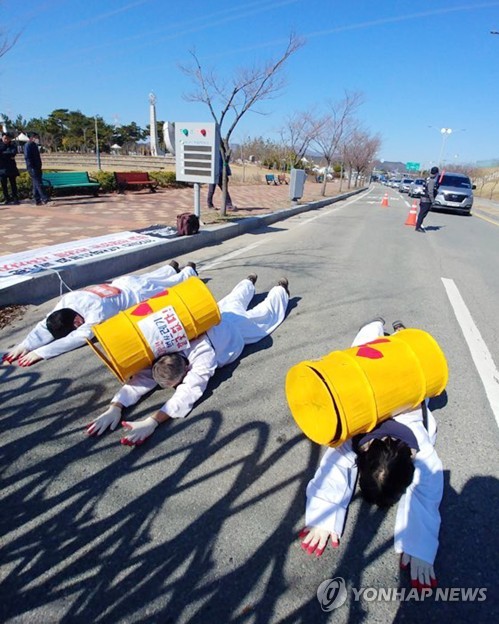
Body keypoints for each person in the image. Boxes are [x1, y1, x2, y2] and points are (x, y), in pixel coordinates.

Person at [300, 318, 443, 591]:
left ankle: (389, 329)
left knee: (374, 352)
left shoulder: (408, 443)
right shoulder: (407, 441)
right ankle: (385, 328)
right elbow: (427, 492)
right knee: (366, 351)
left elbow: (334, 467)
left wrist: (323, 517)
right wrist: (419, 544)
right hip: (388, 375)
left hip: (395, 371)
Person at [87, 274, 290, 445]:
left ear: (186, 372)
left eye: (177, 383)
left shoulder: (203, 358)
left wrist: (154, 421)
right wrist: (116, 406)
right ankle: (248, 282)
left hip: (235, 332)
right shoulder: (166, 345)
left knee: (264, 316)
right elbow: (143, 379)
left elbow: (189, 392)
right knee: (233, 301)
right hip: (215, 316)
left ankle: (280, 290)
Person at [3, 261, 197, 367]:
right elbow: (48, 323)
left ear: (77, 321)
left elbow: (75, 339)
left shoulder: (97, 316)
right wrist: (26, 345)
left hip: (139, 294)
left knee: (170, 286)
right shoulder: (69, 300)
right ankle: (169, 267)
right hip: (124, 282)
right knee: (153, 277)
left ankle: (188, 271)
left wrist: (39, 351)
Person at [23, 131, 50, 205]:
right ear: (31, 137)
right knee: (39, 183)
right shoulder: (27, 145)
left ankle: (37, 199)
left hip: (37, 167)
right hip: (32, 168)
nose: (37, 138)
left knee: (35, 184)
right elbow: (27, 157)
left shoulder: (34, 145)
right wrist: (31, 167)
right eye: (36, 137)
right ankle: (45, 199)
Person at [416, 166, 439, 233]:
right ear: (436, 173)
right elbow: (430, 191)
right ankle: (418, 226)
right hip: (426, 200)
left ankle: (418, 225)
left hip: (423, 198)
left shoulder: (427, 179)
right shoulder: (431, 181)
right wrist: (433, 201)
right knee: (422, 214)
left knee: (422, 214)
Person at [0, 132, 20, 204]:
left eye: (8, 138)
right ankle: (7, 199)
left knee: (13, 184)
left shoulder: (12, 144)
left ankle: (15, 198)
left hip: (11, 168)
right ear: (2, 138)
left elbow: (13, 152)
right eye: (5, 138)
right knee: (4, 185)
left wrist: (3, 154)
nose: (6, 140)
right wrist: (7, 154)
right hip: (2, 168)